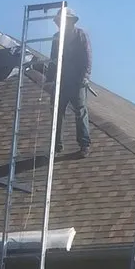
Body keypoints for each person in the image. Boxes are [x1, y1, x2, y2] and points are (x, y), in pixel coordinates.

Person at [43, 8, 92, 158]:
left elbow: (87, 57)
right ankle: (56, 145)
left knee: (80, 111)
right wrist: (50, 79)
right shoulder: (57, 37)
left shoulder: (80, 35)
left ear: (71, 21)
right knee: (57, 112)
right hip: (61, 81)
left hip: (77, 81)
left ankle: (84, 144)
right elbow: (53, 60)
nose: (60, 24)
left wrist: (85, 76)